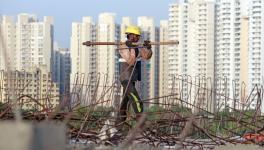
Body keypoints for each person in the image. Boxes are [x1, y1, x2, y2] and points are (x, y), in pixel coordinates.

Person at [116, 25, 152, 127]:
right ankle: (141, 122)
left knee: (124, 102)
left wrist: (148, 48)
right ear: (130, 35)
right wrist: (131, 47)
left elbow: (146, 56)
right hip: (125, 78)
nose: (138, 38)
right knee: (136, 100)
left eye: (138, 36)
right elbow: (131, 61)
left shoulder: (137, 46)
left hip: (133, 78)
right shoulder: (123, 46)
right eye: (136, 36)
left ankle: (118, 124)